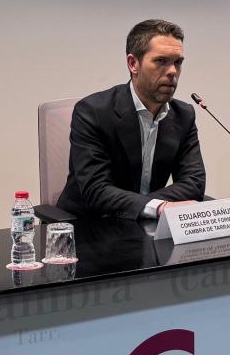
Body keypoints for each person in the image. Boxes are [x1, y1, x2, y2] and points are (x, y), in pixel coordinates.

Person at [56, 19, 206, 219]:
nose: (172, 71)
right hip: (92, 223)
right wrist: (158, 207)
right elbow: (96, 190)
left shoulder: (183, 115)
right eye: (161, 61)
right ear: (133, 64)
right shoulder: (92, 112)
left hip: (144, 224)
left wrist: (148, 206)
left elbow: (194, 182)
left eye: (177, 62)